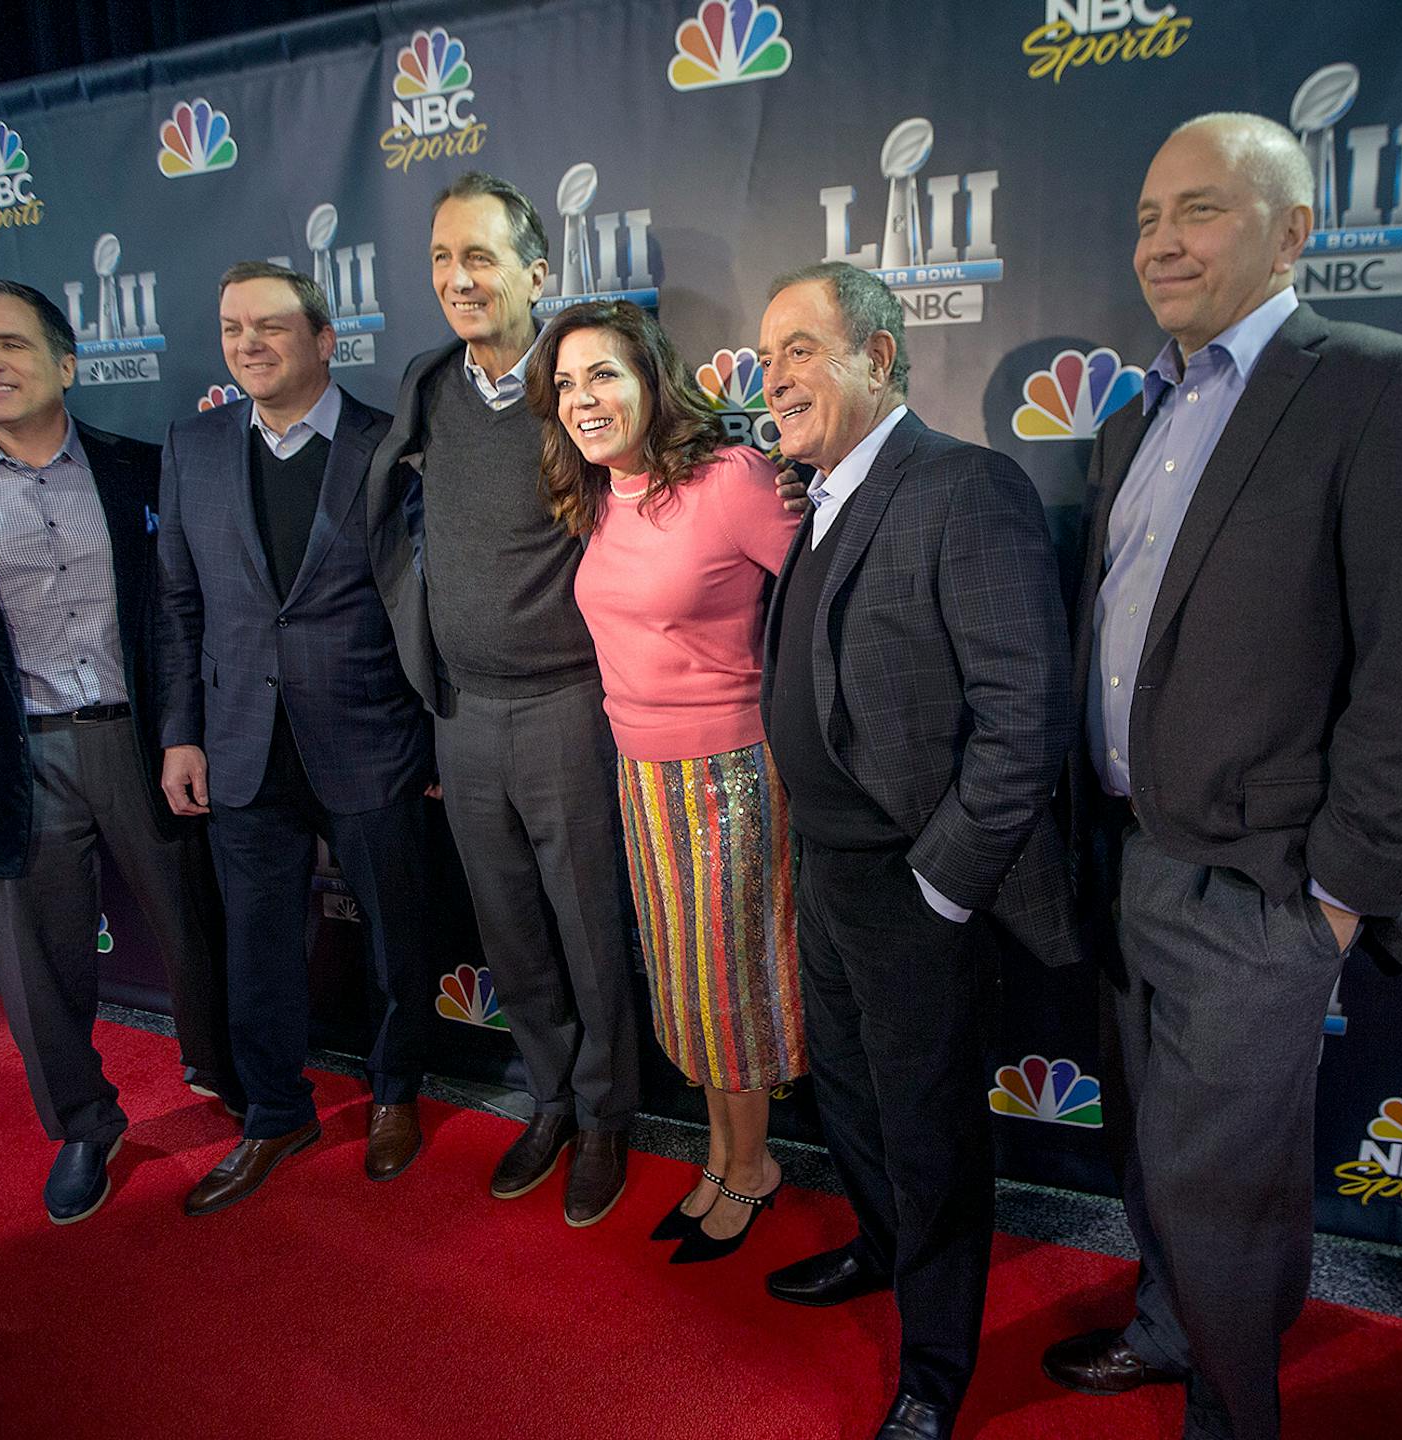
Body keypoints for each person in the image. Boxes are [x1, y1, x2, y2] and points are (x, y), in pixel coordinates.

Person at [1038, 114, 1402, 1440]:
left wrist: (1336, 905)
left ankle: (1235, 1417)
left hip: (1263, 892)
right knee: (1152, 1159)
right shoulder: (1139, 417)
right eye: (1144, 217)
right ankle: (1170, 1334)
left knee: (1228, 1195)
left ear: (1296, 232)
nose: (1161, 241)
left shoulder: (1382, 390)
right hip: (1126, 864)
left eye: (1201, 210)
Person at [755, 262, 1078, 1440]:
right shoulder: (820, 495)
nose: (771, 374)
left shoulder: (963, 486)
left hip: (913, 881)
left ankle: (936, 1370)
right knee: (848, 1096)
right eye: (765, 352)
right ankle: (878, 1253)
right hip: (827, 870)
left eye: (799, 347)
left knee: (931, 1129)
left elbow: (1022, 717)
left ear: (879, 357)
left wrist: (943, 883)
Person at [0, 272, 237, 1225]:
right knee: (39, 964)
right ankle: (82, 1126)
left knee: (199, 928)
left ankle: (224, 1071)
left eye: (10, 343)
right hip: (12, 754)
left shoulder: (143, 468)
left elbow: (177, 616)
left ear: (65, 363)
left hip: (140, 743)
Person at [368, 173, 638, 1227]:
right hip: (461, 713)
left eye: (479, 257)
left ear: (536, 271)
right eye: (441, 259)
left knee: (588, 924)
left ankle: (611, 1114)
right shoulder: (428, 383)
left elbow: (672, 476)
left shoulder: (582, 380)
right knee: (511, 932)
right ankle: (553, 1098)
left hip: (570, 706)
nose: (457, 279)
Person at [524, 300, 804, 1263]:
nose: (583, 398)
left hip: (730, 776)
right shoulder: (600, 492)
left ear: (652, 378)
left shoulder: (730, 479)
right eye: (565, 383)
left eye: (603, 373)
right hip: (640, 778)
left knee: (737, 987)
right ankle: (727, 1154)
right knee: (688, 988)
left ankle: (751, 1168)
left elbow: (821, 603)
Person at [156, 261, 436, 1215]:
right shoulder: (192, 447)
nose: (249, 343)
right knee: (258, 945)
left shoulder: (387, 442)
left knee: (397, 937)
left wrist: (432, 734)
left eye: (272, 325)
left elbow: (421, 598)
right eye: (233, 327)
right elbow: (179, 604)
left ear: (324, 339)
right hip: (238, 741)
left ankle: (397, 1090)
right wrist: (181, 734)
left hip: (368, 735)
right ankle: (276, 1110)